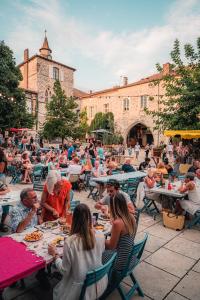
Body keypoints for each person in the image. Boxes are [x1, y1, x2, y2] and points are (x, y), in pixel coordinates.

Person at [48, 204, 107, 300]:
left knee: (57, 292)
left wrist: (55, 255)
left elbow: (64, 271)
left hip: (80, 290)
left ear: (73, 219)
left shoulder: (71, 241)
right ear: (89, 217)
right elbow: (101, 251)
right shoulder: (100, 234)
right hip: (99, 282)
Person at [102, 193, 136, 295]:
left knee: (94, 256)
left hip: (120, 261)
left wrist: (98, 237)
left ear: (114, 206)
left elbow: (111, 246)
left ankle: (96, 283)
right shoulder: (131, 217)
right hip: (131, 257)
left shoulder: (118, 223)